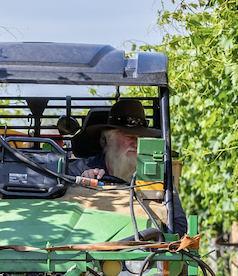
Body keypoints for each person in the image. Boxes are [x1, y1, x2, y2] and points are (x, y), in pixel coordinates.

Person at [67, 98, 187, 236]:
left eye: (140, 137)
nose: (135, 143)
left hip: (142, 254)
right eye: (129, 136)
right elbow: (60, 215)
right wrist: (81, 187)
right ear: (108, 138)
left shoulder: (158, 175)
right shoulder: (78, 171)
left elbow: (178, 225)